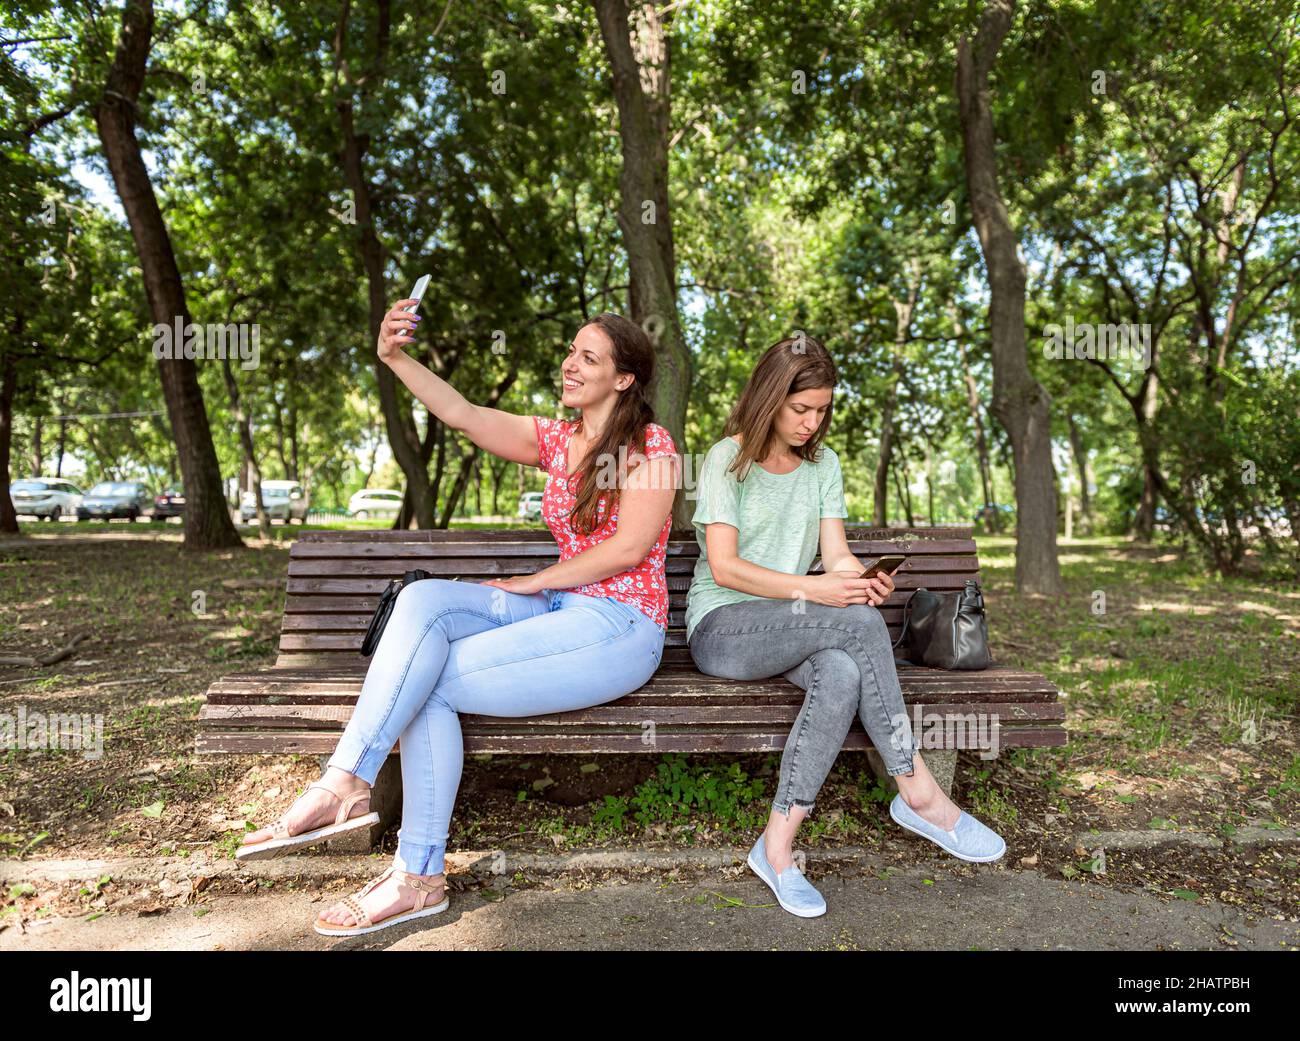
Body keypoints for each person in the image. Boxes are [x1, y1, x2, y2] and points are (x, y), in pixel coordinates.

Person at [239, 303, 678, 937]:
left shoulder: (650, 446)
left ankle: (416, 877)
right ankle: (347, 782)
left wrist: (535, 581)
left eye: (589, 357)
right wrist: (395, 357)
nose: (570, 363)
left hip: (619, 624)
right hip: (559, 608)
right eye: (571, 351)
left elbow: (630, 548)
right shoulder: (559, 439)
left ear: (625, 379)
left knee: (432, 684)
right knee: (423, 602)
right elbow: (464, 415)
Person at [685, 334, 1005, 918]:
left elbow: (835, 556)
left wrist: (859, 579)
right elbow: (726, 568)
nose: (812, 423)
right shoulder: (724, 460)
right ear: (768, 399)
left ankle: (776, 848)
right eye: (800, 408)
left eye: (822, 410)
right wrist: (819, 591)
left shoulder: (823, 465)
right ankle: (918, 791)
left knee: (839, 672)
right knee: (856, 626)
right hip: (723, 628)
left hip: (791, 623)